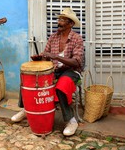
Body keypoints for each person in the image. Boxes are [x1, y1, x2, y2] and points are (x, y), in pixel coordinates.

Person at [11, 8, 85, 136]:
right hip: (54, 70)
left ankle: (71, 121)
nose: (59, 22)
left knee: (62, 85)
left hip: (71, 71)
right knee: (28, 78)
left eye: (63, 20)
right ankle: (26, 109)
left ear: (71, 24)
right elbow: (46, 57)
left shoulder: (77, 38)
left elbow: (77, 62)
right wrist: (40, 58)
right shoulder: (53, 37)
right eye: (59, 19)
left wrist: (56, 57)